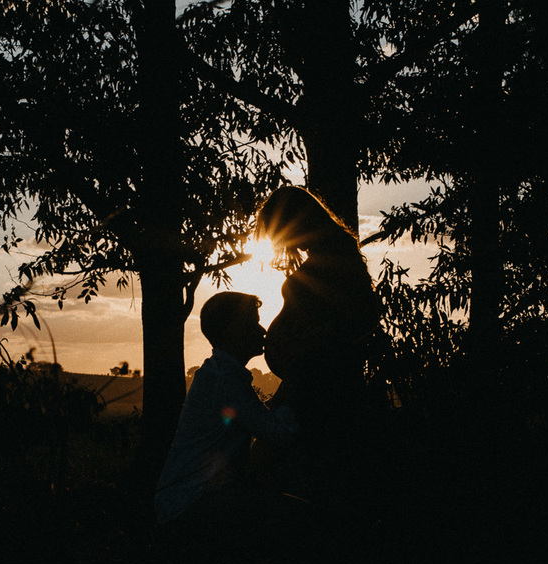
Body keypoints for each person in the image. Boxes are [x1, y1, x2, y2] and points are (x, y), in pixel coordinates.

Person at [154, 291, 299, 526]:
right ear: (234, 331)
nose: (262, 331)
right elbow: (279, 434)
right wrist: (295, 383)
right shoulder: (226, 381)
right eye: (253, 323)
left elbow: (258, 419)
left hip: (183, 499)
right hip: (192, 502)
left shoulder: (219, 374)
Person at [255, 185, 381, 427]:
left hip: (325, 386)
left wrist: (319, 340)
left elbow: (362, 315)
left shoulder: (335, 260)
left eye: (279, 231)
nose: (280, 241)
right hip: (311, 382)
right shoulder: (327, 256)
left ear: (296, 222)